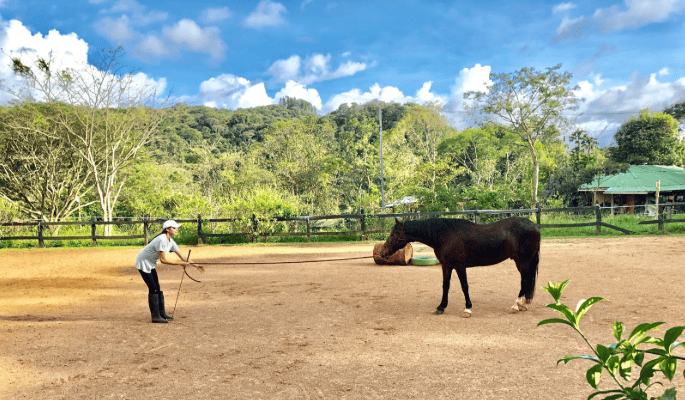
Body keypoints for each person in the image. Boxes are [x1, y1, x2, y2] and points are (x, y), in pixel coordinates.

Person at [135, 220, 189, 323]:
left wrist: (196, 265)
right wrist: (181, 264)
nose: (176, 229)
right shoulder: (162, 239)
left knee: (157, 288)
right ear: (167, 229)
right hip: (143, 262)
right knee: (153, 288)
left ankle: (162, 313)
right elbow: (163, 260)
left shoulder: (170, 241)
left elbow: (183, 257)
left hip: (150, 263)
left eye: (176, 228)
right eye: (174, 228)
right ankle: (155, 316)